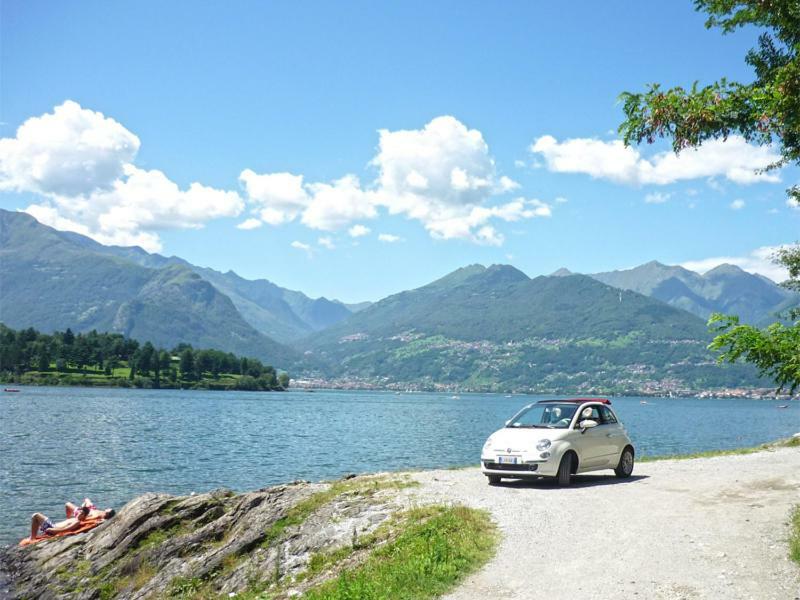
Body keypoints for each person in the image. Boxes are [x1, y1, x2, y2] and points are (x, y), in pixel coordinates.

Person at [29, 498, 114, 540]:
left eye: (81, 513)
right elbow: (87, 501)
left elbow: (66, 529)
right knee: (36, 517)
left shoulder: (77, 521)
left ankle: (32, 539)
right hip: (52, 526)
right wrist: (84, 505)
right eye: (79, 511)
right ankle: (33, 536)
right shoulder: (80, 516)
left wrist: (53, 530)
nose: (79, 513)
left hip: (52, 527)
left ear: (83, 516)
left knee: (36, 515)